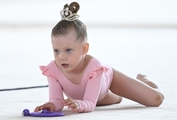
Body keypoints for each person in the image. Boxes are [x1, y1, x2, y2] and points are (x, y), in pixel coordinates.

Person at [34, 2, 164, 113]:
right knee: (116, 99)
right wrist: (51, 105)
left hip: (107, 80)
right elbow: (57, 101)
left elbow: (89, 103)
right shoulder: (53, 70)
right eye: (56, 51)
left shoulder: (95, 68)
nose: (61, 57)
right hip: (98, 96)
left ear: (84, 49)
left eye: (68, 50)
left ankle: (144, 80)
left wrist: (80, 105)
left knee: (156, 99)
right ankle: (116, 96)